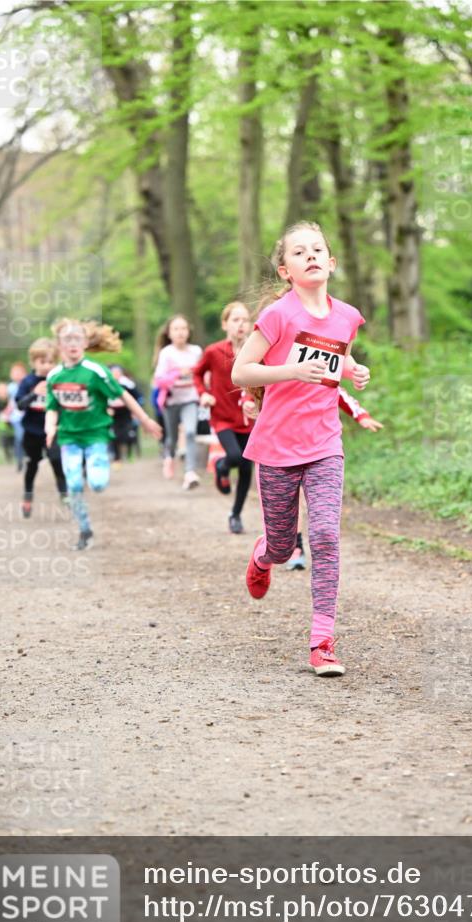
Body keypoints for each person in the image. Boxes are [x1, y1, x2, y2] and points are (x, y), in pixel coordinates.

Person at [232, 220, 370, 677]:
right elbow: (241, 372)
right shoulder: (277, 316)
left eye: (317, 249)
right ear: (285, 269)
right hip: (276, 446)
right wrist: (289, 371)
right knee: (281, 544)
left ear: (331, 262)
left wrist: (353, 370)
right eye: (298, 251)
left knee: (326, 536)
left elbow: (336, 354)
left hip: (325, 442)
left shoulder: (347, 316)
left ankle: (322, 643)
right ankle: (263, 555)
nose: (310, 255)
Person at [45, 318, 162, 549]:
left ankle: (100, 467)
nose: (72, 343)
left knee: (97, 484)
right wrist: (49, 427)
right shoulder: (54, 376)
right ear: (59, 344)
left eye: (77, 338)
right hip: (69, 438)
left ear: (86, 342)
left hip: (96, 436)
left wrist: (146, 420)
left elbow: (124, 395)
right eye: (67, 339)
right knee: (74, 486)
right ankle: (85, 530)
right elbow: (51, 407)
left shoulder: (95, 372)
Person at [286, 386, 383, 570]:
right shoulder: (281, 368)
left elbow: (338, 392)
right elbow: (256, 386)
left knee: (319, 507)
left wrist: (361, 415)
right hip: (284, 446)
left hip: (321, 448)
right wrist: (248, 402)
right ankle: (292, 546)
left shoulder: (319, 370)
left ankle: (304, 549)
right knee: (292, 500)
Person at [193, 301, 256, 534]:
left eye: (245, 320)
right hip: (222, 416)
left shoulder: (256, 350)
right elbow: (197, 374)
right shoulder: (214, 351)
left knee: (246, 468)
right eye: (236, 320)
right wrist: (203, 395)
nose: (241, 324)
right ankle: (221, 465)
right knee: (234, 456)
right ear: (225, 324)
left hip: (249, 418)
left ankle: (236, 515)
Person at [15, 337, 68, 517]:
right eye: (42, 361)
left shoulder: (60, 380)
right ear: (34, 361)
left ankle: (65, 494)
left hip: (53, 431)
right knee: (32, 465)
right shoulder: (28, 381)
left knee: (57, 460)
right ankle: (27, 497)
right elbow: (19, 405)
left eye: (51, 362)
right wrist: (34, 393)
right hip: (32, 431)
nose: (46, 366)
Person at [152, 314, 202, 490]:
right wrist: (178, 374)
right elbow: (159, 380)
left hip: (190, 399)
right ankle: (169, 457)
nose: (180, 332)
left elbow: (202, 374)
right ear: (169, 333)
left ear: (188, 332)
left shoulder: (196, 351)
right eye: (176, 329)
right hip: (171, 401)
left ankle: (190, 472)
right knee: (172, 437)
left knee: (189, 432)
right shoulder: (167, 353)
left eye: (183, 328)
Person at [108, 364, 143, 465]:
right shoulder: (107, 386)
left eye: (118, 373)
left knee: (128, 435)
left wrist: (135, 411)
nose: (116, 375)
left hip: (126, 414)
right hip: (113, 415)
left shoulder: (127, 385)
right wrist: (106, 409)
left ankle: (129, 453)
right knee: (114, 436)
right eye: (113, 373)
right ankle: (117, 458)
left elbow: (139, 398)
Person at [7, 361, 27, 472]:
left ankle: (28, 456)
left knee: (27, 438)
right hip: (16, 417)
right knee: (19, 438)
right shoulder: (11, 387)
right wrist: (6, 413)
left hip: (28, 416)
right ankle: (19, 459)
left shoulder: (27, 384)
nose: (17, 375)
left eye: (19, 372)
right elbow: (11, 402)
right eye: (14, 372)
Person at [0, 381, 16, 462]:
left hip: (12, 424)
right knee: (5, 441)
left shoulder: (11, 400)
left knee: (14, 440)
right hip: (3, 426)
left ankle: (15, 454)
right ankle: (8, 457)